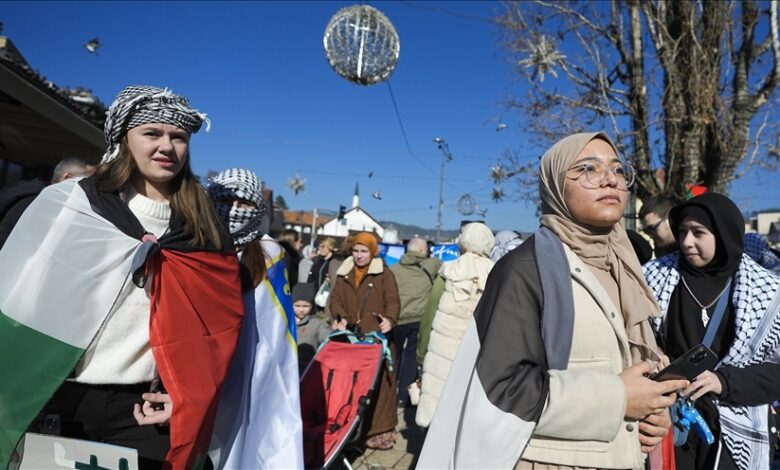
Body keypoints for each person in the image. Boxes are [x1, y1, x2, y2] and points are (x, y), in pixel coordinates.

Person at [0, 85, 244, 470]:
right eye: (152, 133)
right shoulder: (74, 206)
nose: (167, 146)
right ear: (122, 139)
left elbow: (219, 329)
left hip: (141, 409)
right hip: (55, 392)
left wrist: (183, 394)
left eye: (178, 137)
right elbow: (18, 297)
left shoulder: (203, 231)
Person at [417, 132, 687, 469]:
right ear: (556, 186)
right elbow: (502, 388)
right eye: (588, 168)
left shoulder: (625, 268)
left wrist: (651, 412)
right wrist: (618, 398)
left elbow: (627, 370)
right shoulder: (526, 269)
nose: (610, 180)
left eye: (618, 170)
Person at [643, 192, 780, 470]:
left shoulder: (766, 293)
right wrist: (651, 352)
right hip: (669, 422)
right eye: (682, 232)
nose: (686, 242)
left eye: (698, 232)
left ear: (723, 233)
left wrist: (724, 382)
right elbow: (633, 337)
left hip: (734, 430)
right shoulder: (654, 278)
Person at [206, 168, 303, 469]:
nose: (234, 208)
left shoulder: (269, 253)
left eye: (244, 202)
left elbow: (275, 327)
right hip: (202, 359)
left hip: (250, 359)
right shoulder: (194, 244)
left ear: (257, 209)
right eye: (225, 198)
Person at [415, 222, 495, 427]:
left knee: (438, 416)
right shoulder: (498, 277)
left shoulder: (449, 272)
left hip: (442, 355)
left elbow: (429, 318)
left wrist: (421, 354)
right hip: (481, 357)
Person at [329, 231, 401, 450]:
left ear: (373, 252)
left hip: (376, 339)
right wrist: (339, 317)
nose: (359, 256)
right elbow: (335, 300)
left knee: (380, 388)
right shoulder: (345, 273)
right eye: (356, 251)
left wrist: (389, 320)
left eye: (364, 251)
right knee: (353, 387)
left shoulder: (384, 275)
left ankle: (379, 432)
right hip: (351, 340)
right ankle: (349, 429)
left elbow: (393, 301)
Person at [389, 237, 442, 407]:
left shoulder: (393, 269)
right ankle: (404, 395)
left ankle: (388, 392)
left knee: (393, 356)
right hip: (417, 319)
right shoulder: (431, 265)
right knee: (411, 357)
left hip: (396, 319)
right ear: (421, 251)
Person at [0, 157, 95, 249]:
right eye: (87, 181)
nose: (91, 189)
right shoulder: (38, 201)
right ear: (67, 177)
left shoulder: (29, 192)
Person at [293, 282, 332, 373]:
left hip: (306, 369)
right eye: (297, 306)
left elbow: (326, 335)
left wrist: (335, 333)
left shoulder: (317, 323)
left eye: (306, 306)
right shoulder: (285, 321)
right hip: (287, 368)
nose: (301, 310)